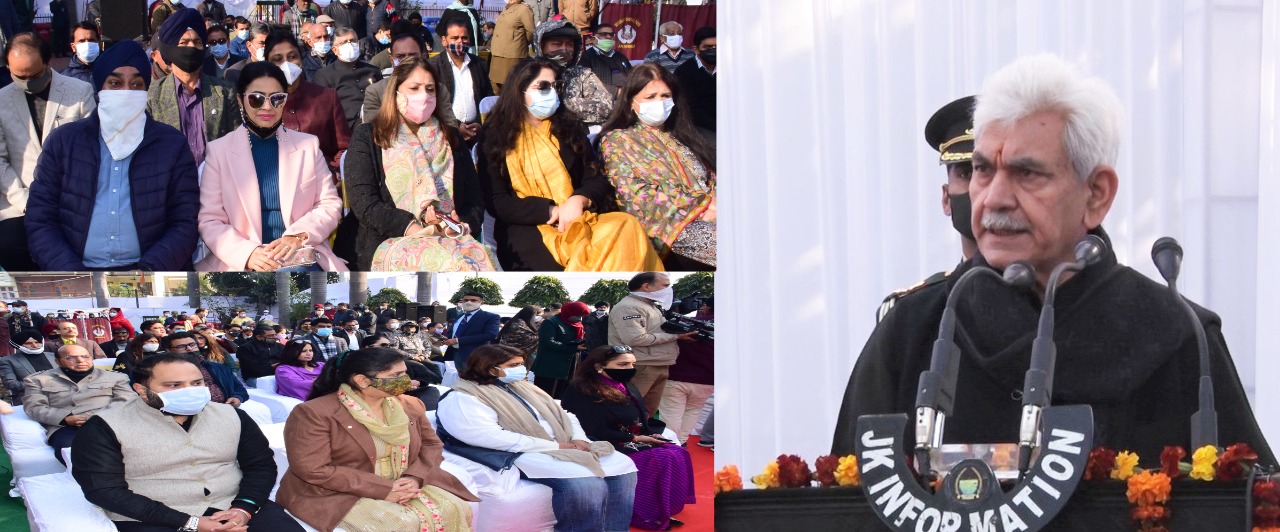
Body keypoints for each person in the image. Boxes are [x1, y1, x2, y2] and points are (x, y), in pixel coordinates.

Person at [831, 54, 1277, 466]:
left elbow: (1250, 502)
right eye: (983, 169)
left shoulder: (1177, 335)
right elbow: (844, 499)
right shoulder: (915, 329)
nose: (994, 199)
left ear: (1096, 193)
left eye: (1026, 173)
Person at [70, 353, 302, 532]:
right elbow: (104, 489)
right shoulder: (104, 426)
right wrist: (190, 522)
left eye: (197, 383)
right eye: (174, 385)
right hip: (154, 516)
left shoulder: (233, 415)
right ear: (141, 390)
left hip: (233, 504)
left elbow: (260, 465)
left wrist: (243, 509)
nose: (190, 391)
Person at [28, 40, 200, 270]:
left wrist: (149, 271)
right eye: (115, 83)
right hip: (77, 271)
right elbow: (40, 219)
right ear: (100, 88)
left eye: (136, 84)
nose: (126, 92)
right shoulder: (63, 142)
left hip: (148, 272)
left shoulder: (171, 145)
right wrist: (71, 272)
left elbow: (185, 222)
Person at [476, 58, 662, 271]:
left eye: (556, 86)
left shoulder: (569, 128)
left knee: (626, 226)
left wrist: (578, 200)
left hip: (580, 217)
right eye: (543, 87)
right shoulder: (495, 137)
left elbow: (596, 178)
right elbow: (498, 201)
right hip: (526, 228)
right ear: (519, 91)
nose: (551, 93)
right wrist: (551, 211)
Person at [437, 344, 638, 532]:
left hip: (561, 443)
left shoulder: (524, 387)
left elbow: (565, 415)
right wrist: (555, 446)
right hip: (520, 451)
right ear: (490, 368)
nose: (521, 369)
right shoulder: (464, 397)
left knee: (622, 467)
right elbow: (487, 436)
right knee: (586, 484)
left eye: (521, 364)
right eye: (513, 365)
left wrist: (579, 438)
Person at [276, 347, 476, 531]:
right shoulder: (314, 413)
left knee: (456, 508)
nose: (406, 380)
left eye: (405, 373)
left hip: (404, 481)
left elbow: (431, 444)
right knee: (399, 524)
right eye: (396, 375)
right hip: (339, 490)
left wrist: (414, 477)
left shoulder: (409, 404)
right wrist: (383, 489)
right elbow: (313, 469)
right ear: (362, 380)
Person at [346, 57, 493, 271]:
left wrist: (460, 223)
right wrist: (414, 228)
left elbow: (475, 199)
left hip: (450, 238)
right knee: (452, 265)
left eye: (430, 89)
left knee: (478, 261)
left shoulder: (451, 137)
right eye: (414, 88)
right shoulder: (368, 136)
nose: (424, 96)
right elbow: (364, 203)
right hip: (390, 239)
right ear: (395, 92)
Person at [197, 61, 346, 271]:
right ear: (240, 100)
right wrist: (247, 254)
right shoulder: (219, 151)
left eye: (276, 98)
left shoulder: (308, 146)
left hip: (300, 255)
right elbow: (210, 219)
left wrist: (298, 236)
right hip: (239, 262)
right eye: (256, 99)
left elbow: (329, 204)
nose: (267, 107)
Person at [561, 345, 695, 530]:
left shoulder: (624, 385)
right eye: (622, 364)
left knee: (677, 452)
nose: (630, 369)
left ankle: (664, 508)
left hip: (629, 436)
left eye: (632, 364)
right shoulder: (582, 389)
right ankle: (644, 513)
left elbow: (640, 415)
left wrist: (647, 434)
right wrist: (636, 438)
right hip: (602, 441)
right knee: (659, 458)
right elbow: (592, 428)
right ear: (599, 365)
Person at [599, 63, 716, 271]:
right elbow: (634, 194)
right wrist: (703, 205)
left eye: (665, 96)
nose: (659, 103)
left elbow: (711, 178)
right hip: (669, 227)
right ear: (631, 102)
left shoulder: (684, 136)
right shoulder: (619, 141)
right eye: (650, 97)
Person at [877, 95, 980, 323]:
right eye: (966, 173)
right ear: (946, 198)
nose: (979, 188)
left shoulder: (1050, 300)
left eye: (987, 172)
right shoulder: (912, 313)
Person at [0, 33, 96, 270]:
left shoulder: (80, 92)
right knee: (10, 246)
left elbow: (91, 152)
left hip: (71, 198)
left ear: (47, 62)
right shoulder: (2, 100)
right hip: (19, 200)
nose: (27, 82)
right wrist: (25, 200)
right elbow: (0, 161)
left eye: (34, 75)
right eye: (19, 76)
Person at [146, 9, 240, 168]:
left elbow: (236, 144)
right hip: (171, 181)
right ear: (169, 50)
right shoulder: (153, 95)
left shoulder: (224, 91)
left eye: (197, 42)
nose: (192, 47)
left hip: (215, 178)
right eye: (184, 43)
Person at [22, 344, 133, 465]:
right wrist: (65, 418)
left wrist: (99, 416)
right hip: (67, 426)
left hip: (109, 421)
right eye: (71, 357)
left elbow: (127, 400)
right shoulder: (38, 379)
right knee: (75, 453)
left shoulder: (115, 377)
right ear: (57, 361)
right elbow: (34, 407)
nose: (80, 361)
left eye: (85, 356)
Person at [608, 272, 696, 414]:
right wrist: (675, 336)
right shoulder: (629, 307)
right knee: (628, 409)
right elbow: (635, 339)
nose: (669, 290)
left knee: (648, 411)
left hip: (657, 362)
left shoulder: (649, 306)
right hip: (641, 364)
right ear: (646, 286)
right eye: (665, 286)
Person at [263, 30, 351, 170]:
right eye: (277, 59)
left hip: (322, 176)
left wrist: (334, 171)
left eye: (292, 57)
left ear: (301, 60)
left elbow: (344, 147)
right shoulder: (260, 103)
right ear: (267, 64)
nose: (286, 64)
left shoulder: (327, 97)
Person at [533, 18, 614, 127]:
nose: (564, 49)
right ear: (541, 46)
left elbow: (606, 107)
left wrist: (563, 105)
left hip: (574, 133)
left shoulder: (582, 74)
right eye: (557, 44)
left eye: (569, 45)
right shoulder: (528, 73)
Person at [429, 18, 494, 143]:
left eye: (464, 38)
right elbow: (433, 104)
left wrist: (479, 123)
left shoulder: (479, 64)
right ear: (444, 41)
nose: (460, 42)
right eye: (454, 38)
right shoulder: (433, 66)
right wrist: (457, 126)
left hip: (476, 132)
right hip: (447, 133)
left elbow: (487, 97)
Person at [659, 300, 712, 445]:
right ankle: (681, 442)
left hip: (676, 375)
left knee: (671, 413)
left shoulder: (685, 323)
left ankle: (670, 444)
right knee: (693, 411)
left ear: (706, 307)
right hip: (707, 379)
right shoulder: (734, 327)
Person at [316, 26, 381, 131]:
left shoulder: (373, 70)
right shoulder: (325, 75)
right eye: (344, 42)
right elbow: (324, 109)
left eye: (352, 41)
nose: (349, 45)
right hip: (347, 128)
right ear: (335, 50)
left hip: (377, 123)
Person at [162, 332, 249, 410]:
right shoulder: (164, 372)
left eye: (192, 344)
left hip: (225, 408)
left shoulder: (218, 368)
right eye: (181, 347)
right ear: (168, 350)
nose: (189, 348)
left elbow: (239, 388)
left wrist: (237, 397)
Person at [533, 301, 590, 398]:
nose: (579, 318)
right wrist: (573, 347)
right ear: (570, 312)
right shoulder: (551, 322)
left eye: (581, 316)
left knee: (564, 393)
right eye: (577, 315)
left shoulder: (577, 324)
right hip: (552, 364)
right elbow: (547, 342)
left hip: (570, 363)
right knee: (548, 395)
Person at [672, 26, 715, 143]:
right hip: (699, 127)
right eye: (708, 47)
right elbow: (691, 109)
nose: (714, 50)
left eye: (717, 47)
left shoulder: (730, 68)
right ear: (696, 49)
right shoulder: (684, 72)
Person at [438, 291, 500, 371]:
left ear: (481, 303)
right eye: (466, 300)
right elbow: (453, 332)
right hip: (453, 353)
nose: (468, 302)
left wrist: (457, 340)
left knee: (472, 377)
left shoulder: (490, 317)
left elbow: (490, 335)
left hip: (474, 355)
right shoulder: (460, 316)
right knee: (453, 377)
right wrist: (446, 339)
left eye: (473, 300)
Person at [488, 0, 535, 94]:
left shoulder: (524, 9)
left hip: (512, 54)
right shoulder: (506, 7)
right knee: (495, 85)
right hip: (497, 53)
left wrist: (520, 43)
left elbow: (531, 32)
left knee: (511, 86)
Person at [0, 331, 57, 405]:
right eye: (28, 343)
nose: (34, 345)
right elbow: (11, 384)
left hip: (61, 395)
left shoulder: (54, 356)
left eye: (37, 342)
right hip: (29, 399)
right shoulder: (7, 361)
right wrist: (42, 384)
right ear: (18, 345)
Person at [578, 23, 631, 96]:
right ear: (593, 39)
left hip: (626, 96)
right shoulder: (586, 57)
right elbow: (586, 82)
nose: (608, 37)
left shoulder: (620, 57)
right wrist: (617, 92)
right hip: (602, 98)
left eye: (611, 34)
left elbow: (632, 76)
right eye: (604, 34)